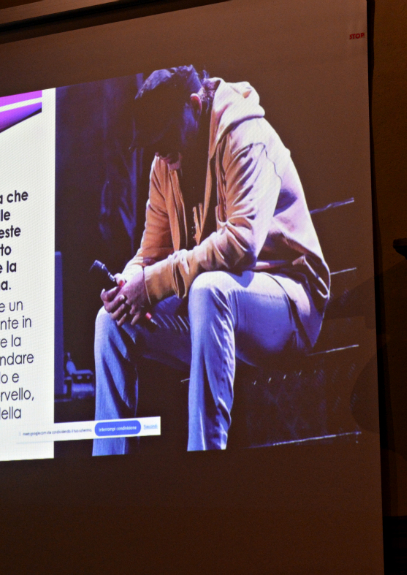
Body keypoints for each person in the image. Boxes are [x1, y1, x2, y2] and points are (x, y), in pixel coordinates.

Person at [92, 65, 330, 454]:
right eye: (153, 142)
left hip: (289, 304)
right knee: (111, 321)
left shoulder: (244, 135)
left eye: (164, 135)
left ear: (194, 105)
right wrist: (128, 283)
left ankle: (204, 460)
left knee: (208, 289)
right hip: (218, 317)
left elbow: (241, 243)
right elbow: (150, 253)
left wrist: (152, 284)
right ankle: (109, 468)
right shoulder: (164, 165)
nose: (159, 151)